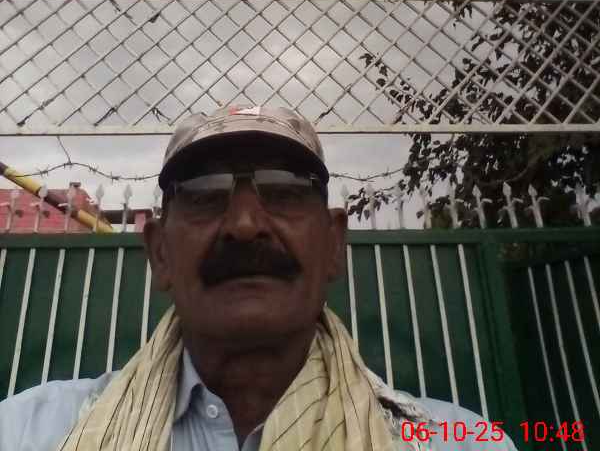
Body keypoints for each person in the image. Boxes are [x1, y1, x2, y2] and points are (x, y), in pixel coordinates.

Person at [0, 104, 517, 451]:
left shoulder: (459, 442)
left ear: (333, 245)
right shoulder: (31, 433)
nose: (245, 225)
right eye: (204, 195)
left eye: (285, 191)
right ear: (160, 253)